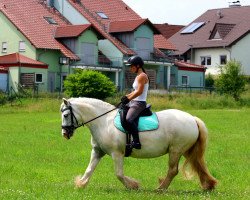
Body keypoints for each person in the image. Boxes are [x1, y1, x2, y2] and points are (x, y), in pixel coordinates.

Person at [120, 55, 149, 149]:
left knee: (129, 119)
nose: (130, 68)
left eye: (131, 66)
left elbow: (139, 91)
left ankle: (136, 142)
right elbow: (135, 91)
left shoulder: (142, 76)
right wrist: (127, 96)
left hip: (139, 103)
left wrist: (129, 99)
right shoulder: (138, 76)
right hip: (134, 102)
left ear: (138, 66)